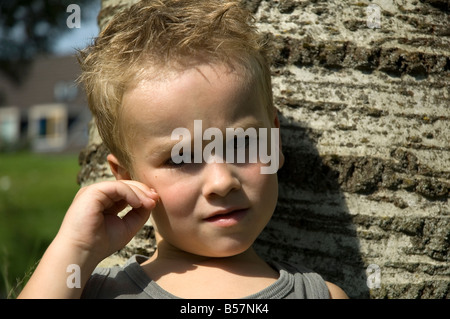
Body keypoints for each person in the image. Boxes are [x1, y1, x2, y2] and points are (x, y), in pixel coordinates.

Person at [18, 0, 348, 299]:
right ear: (127, 178)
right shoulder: (98, 291)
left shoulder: (320, 295)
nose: (222, 182)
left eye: (241, 143)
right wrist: (75, 249)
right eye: (182, 158)